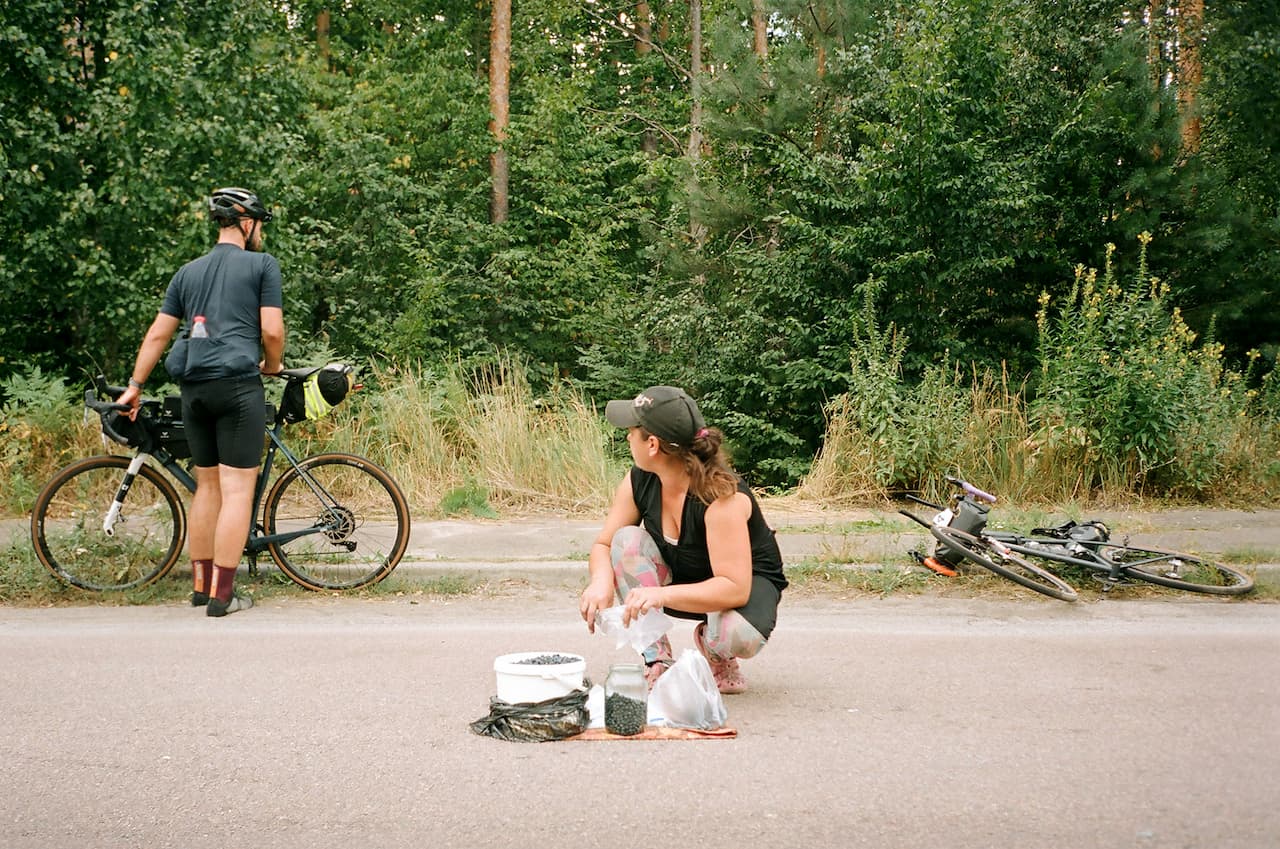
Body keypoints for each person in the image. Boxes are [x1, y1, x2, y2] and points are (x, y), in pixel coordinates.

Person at [116, 187, 286, 617]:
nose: (260, 231)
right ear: (247, 223)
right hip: (236, 388)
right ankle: (223, 597)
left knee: (206, 486)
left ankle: (199, 587)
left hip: (192, 392)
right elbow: (271, 330)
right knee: (237, 489)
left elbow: (158, 334)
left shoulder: (186, 273)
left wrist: (135, 384)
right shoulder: (262, 265)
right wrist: (272, 364)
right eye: (259, 223)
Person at [579, 386, 787, 694]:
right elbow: (605, 544)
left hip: (740, 587)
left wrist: (661, 596)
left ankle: (716, 650)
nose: (627, 437)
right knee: (626, 541)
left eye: (632, 431)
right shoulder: (639, 478)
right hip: (684, 576)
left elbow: (733, 586)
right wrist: (600, 581)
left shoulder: (721, 498)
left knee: (737, 635)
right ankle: (657, 662)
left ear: (652, 444)